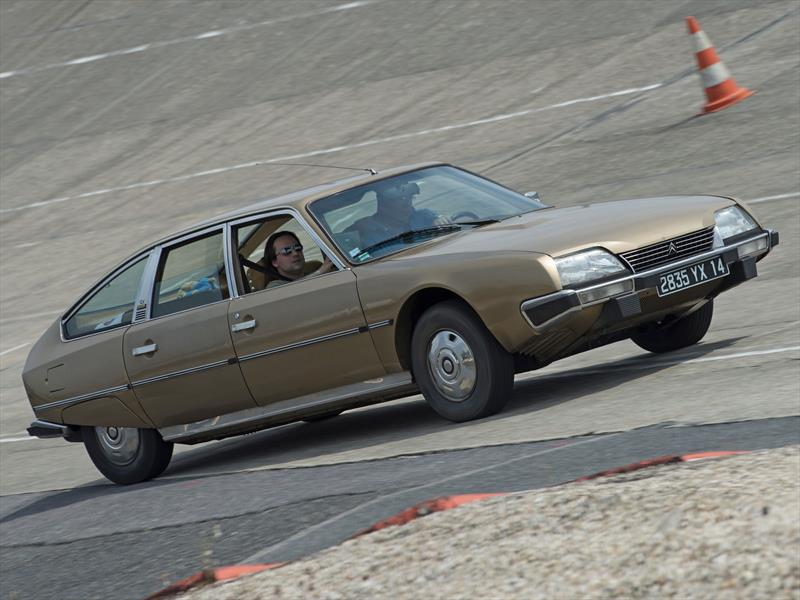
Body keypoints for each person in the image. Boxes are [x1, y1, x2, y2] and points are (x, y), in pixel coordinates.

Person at [347, 180, 447, 249]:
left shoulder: (424, 216)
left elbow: (444, 223)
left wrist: (439, 220)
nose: (408, 205)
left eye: (410, 198)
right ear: (383, 205)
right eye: (400, 201)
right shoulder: (364, 231)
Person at [264, 230, 334, 288]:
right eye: (287, 251)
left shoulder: (312, 273)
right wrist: (321, 271)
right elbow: (292, 289)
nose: (295, 254)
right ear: (274, 262)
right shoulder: (273, 287)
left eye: (298, 248)